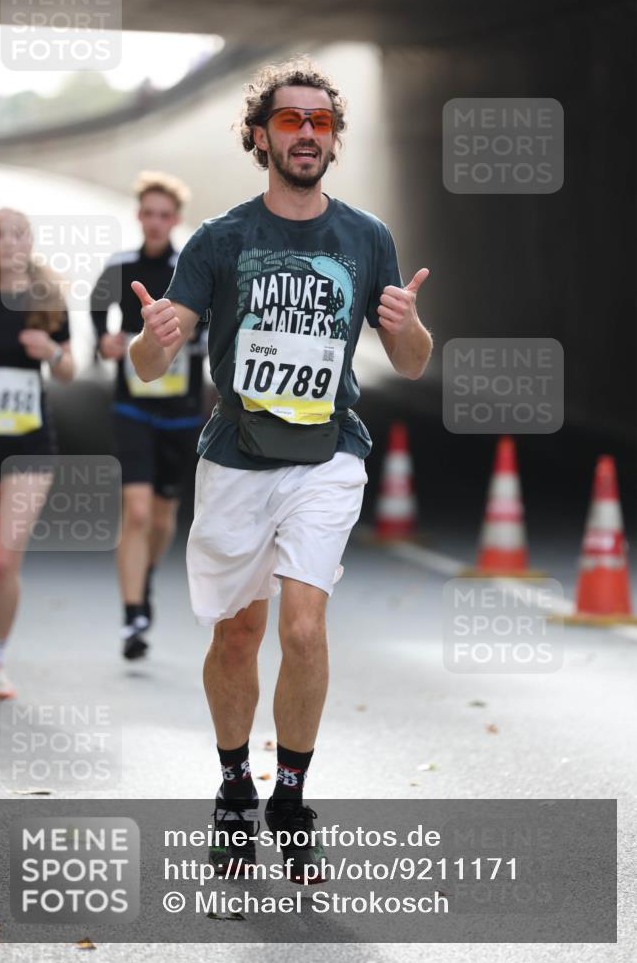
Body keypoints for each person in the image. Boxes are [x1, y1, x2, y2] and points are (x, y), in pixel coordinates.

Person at [128, 57, 432, 881]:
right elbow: (151, 365)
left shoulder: (366, 237)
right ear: (260, 136)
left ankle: (290, 797)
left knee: (301, 626)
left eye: (321, 122)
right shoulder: (222, 239)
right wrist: (151, 338)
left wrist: (406, 325)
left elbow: (409, 362)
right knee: (238, 635)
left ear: (333, 139)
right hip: (236, 456)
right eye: (291, 121)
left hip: (328, 455)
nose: (307, 134)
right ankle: (234, 790)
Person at [90, 172, 207, 660]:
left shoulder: (194, 268)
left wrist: (178, 342)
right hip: (132, 407)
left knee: (162, 518)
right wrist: (108, 341)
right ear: (138, 216)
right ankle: (132, 612)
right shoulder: (122, 266)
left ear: (175, 219)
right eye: (149, 213)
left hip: (181, 411)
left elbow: (213, 327)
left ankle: (147, 573)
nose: (156, 222)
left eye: (165, 215)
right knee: (135, 511)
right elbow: (99, 315)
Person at [0, 207, 74, 699]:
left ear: (29, 241)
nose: (8, 242)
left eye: (17, 234)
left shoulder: (46, 297)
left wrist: (51, 353)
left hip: (30, 445)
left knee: (5, 562)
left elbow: (71, 368)